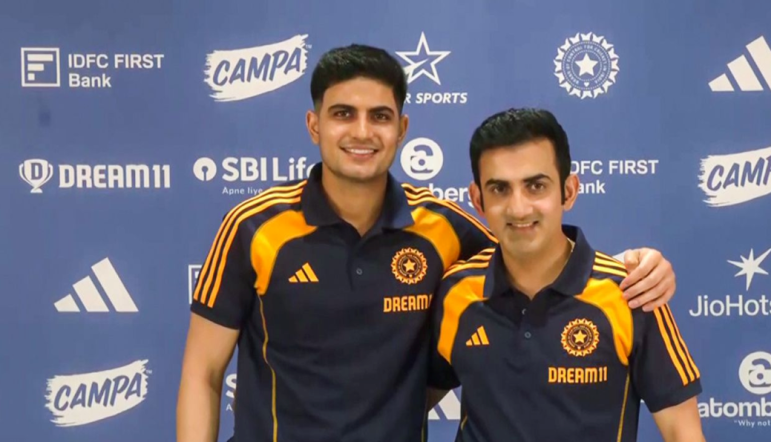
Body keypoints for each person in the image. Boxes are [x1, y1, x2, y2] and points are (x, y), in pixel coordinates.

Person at [176, 45, 678, 442]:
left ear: (402, 129)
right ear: (314, 126)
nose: (362, 132)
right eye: (343, 113)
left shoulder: (443, 227)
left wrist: (638, 266)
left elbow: (534, 250)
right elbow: (203, 371)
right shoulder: (253, 227)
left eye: (380, 116)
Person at [431, 108, 704, 442]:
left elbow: (682, 433)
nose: (519, 208)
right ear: (477, 200)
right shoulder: (455, 292)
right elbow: (411, 400)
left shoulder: (632, 292)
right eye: (500, 189)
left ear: (569, 191)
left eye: (536, 186)